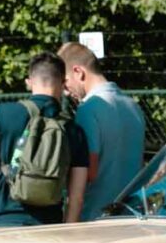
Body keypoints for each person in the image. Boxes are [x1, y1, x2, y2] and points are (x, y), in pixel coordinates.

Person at [0, 52, 92, 229]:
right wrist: (67, 231)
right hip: (48, 228)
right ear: (63, 83)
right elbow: (76, 197)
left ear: (29, 82)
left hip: (0, 223)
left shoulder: (1, 114)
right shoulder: (73, 130)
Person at [58, 40, 146, 210]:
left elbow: (88, 172)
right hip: (130, 212)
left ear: (78, 72)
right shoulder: (133, 106)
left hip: (95, 214)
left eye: (66, 82)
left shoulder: (88, 109)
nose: (66, 92)